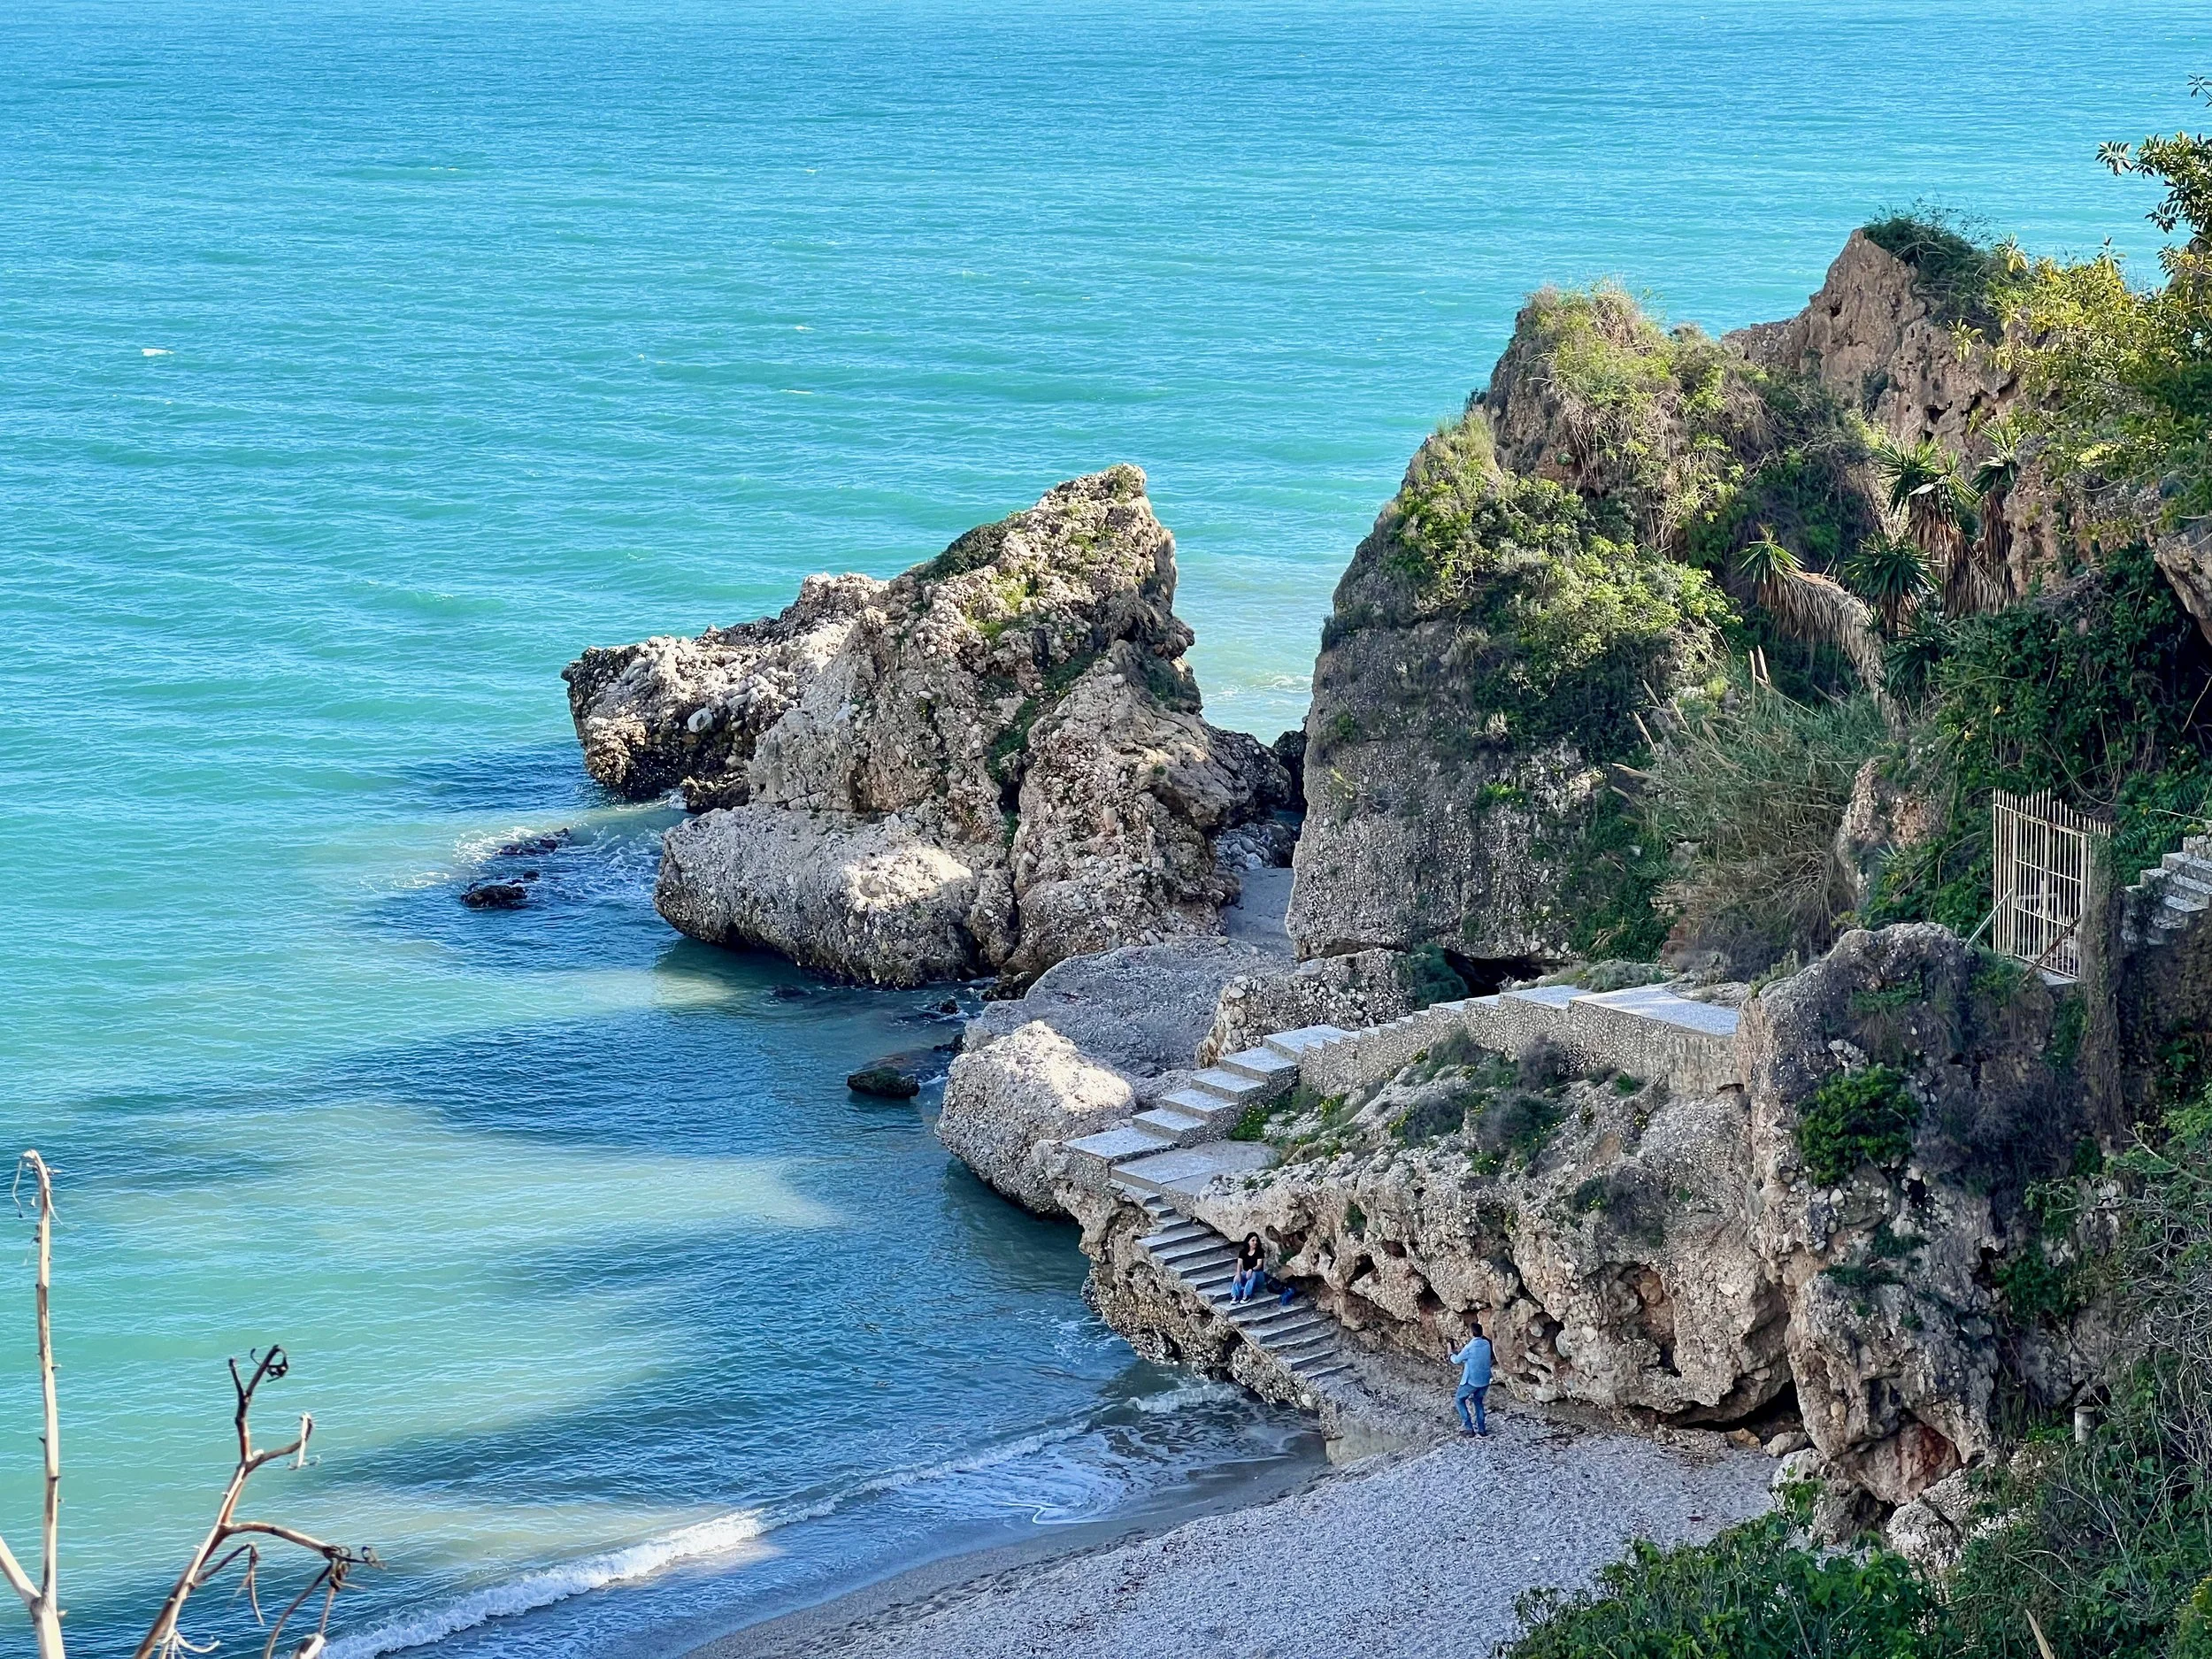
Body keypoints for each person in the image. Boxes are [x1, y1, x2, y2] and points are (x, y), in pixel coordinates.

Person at [1450, 1317, 1494, 1437]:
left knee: (1459, 1400)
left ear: (1471, 1333)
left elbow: (1456, 1360)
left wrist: (1450, 1353)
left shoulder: (1470, 1347)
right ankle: (1482, 1429)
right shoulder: (1487, 1344)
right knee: (1478, 1401)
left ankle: (1469, 1427)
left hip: (1471, 1381)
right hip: (1485, 1380)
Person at [1229, 1233, 1267, 1304]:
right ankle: (1235, 1295)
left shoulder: (1259, 1251)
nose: (1255, 1242)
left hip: (1258, 1275)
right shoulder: (1243, 1252)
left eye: (1256, 1241)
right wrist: (1238, 1274)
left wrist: (1251, 1270)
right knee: (1236, 1277)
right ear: (1248, 1241)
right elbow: (1239, 1264)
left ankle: (1246, 1295)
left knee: (1253, 1275)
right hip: (1246, 1273)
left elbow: (1259, 1265)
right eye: (1253, 1240)